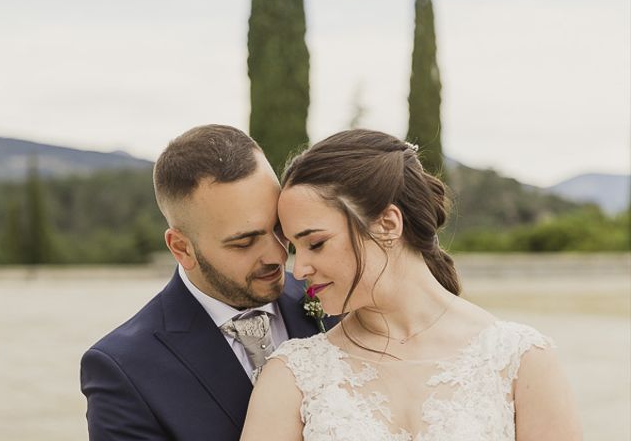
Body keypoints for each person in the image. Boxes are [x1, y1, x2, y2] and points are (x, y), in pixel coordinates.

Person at [240, 129, 582, 441]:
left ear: (388, 224)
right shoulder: (293, 376)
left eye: (315, 244)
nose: (298, 270)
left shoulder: (519, 360)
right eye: (293, 249)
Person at [80, 125, 332, 440]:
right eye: (244, 242)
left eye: (279, 227)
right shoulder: (123, 369)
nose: (278, 255)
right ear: (182, 249)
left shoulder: (334, 301)